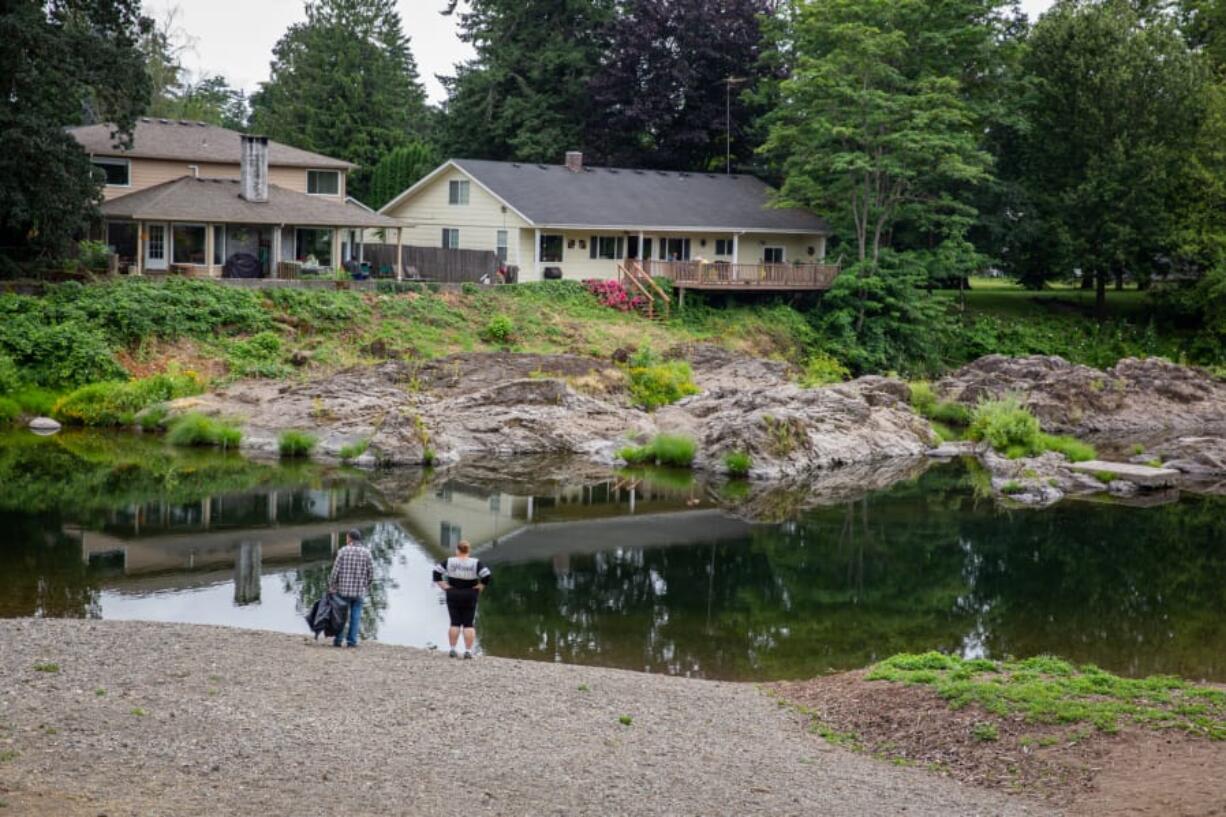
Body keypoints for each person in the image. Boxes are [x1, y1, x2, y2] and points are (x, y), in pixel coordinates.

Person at [432, 540, 491, 659]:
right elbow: (487, 575)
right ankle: (468, 651)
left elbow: (436, 572)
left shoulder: (450, 561)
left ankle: (453, 649)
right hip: (470, 594)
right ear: (468, 551)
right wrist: (480, 586)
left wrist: (444, 586)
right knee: (468, 624)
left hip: (453, 593)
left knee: (455, 622)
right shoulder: (475, 563)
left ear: (457, 550)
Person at [328, 528, 374, 648]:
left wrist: (332, 586)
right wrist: (367, 585)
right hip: (359, 591)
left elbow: (335, 571)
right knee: (356, 615)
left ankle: (338, 640)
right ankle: (352, 641)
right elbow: (371, 572)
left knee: (341, 615)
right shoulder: (367, 553)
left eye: (347, 537)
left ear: (349, 538)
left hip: (343, 590)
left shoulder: (343, 551)